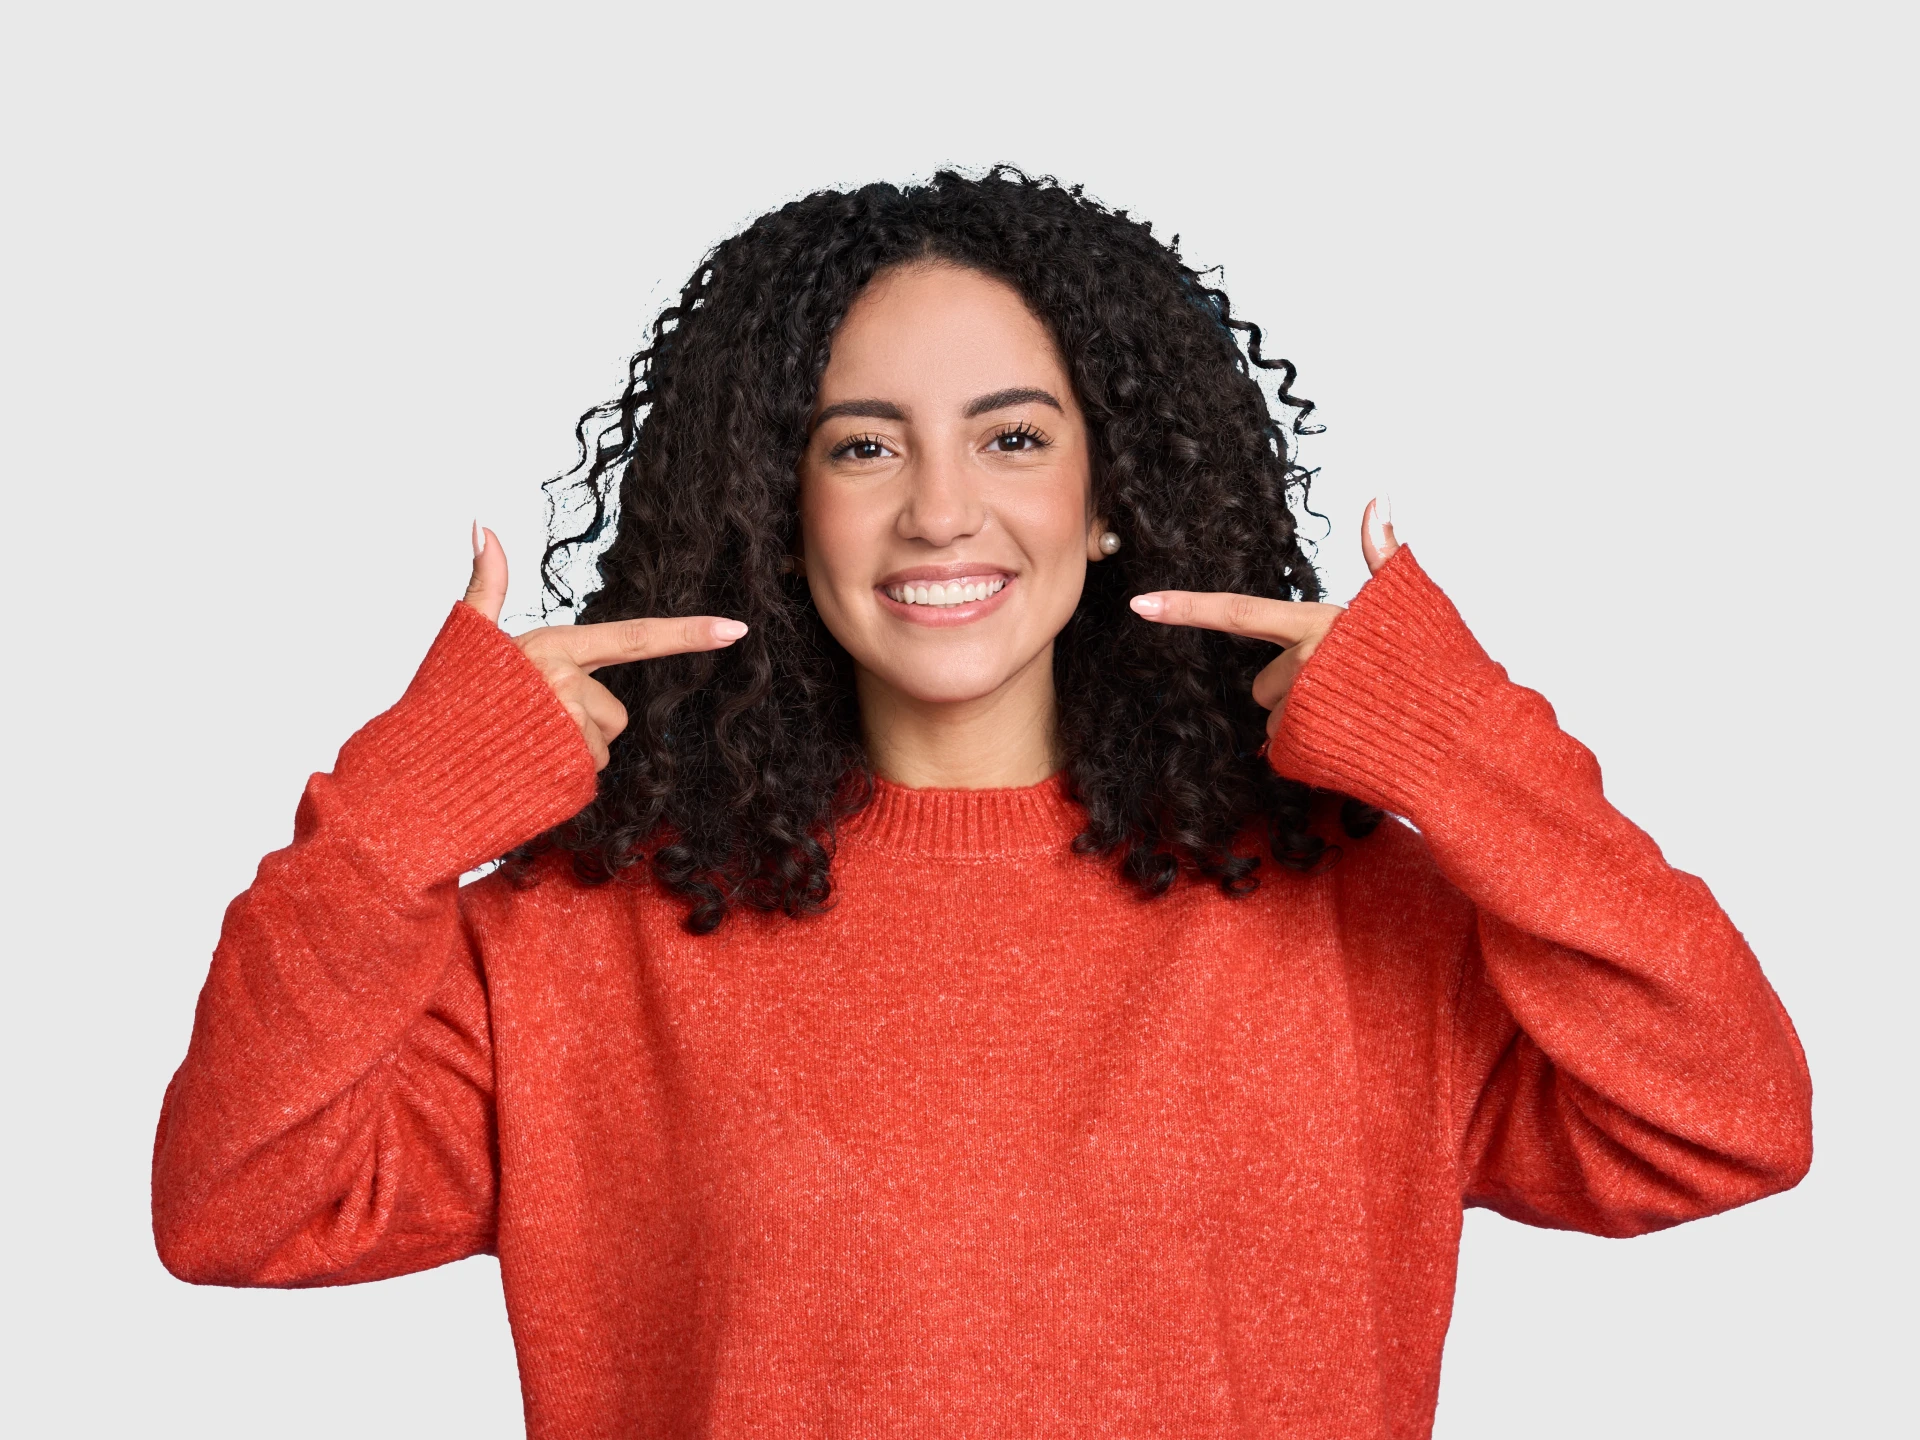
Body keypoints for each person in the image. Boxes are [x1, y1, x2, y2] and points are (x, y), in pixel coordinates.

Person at [151, 168, 1812, 1439]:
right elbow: (237, 1203)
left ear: (1110, 501)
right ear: (778, 508)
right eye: (861, 449)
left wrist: (1463, 754)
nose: (944, 511)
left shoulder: (1359, 919)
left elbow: (1730, 1117)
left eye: (1014, 438)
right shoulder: (584, 940)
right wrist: (396, 817)